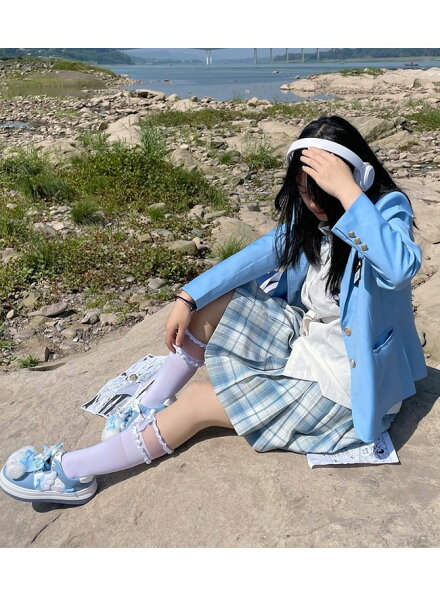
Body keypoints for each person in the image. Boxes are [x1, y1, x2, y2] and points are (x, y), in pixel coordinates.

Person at [0, 115, 427, 506]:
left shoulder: (384, 211)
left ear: (357, 176)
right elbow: (255, 256)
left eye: (321, 192)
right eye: (303, 191)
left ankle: (72, 472)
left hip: (346, 388)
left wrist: (347, 193)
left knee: (198, 401)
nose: (313, 203)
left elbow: (399, 266)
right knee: (218, 299)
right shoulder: (313, 222)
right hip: (310, 345)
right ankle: (148, 407)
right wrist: (188, 298)